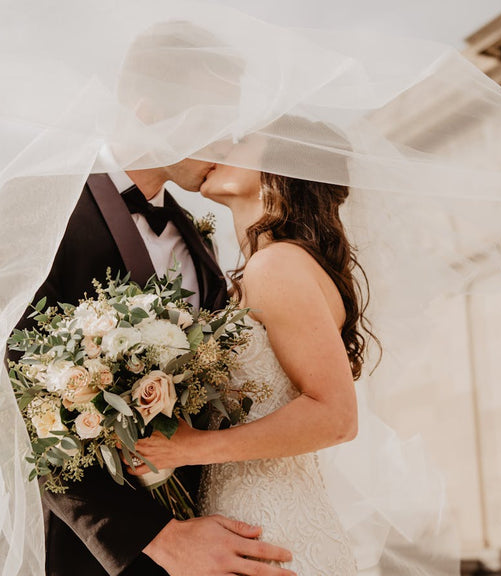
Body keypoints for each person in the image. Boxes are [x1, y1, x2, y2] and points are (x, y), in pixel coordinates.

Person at [8, 21, 297, 576]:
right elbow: (22, 401)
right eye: (211, 121)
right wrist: (159, 540)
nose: (225, 142)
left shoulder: (198, 238)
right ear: (147, 111)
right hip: (102, 556)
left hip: (218, 535)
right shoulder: (40, 207)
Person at [131, 127, 371, 574]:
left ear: (280, 169)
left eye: (240, 140)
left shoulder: (277, 265)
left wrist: (190, 448)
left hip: (270, 524)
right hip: (240, 519)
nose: (219, 144)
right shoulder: (261, 269)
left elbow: (336, 416)